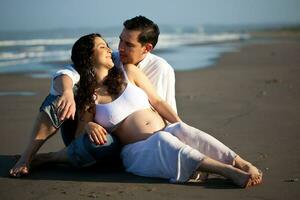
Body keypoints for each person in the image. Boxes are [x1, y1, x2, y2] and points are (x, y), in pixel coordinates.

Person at [31, 33, 262, 188]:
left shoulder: (128, 72)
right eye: (102, 47)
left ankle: (240, 162)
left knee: (186, 132)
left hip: (164, 130)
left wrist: (179, 124)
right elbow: (81, 136)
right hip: (135, 150)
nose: (110, 49)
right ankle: (227, 172)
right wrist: (90, 124)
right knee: (164, 140)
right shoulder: (90, 96)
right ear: (89, 57)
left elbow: (158, 102)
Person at [9, 16, 176, 177]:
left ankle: (49, 158)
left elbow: (162, 109)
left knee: (104, 143)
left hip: (122, 141)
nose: (120, 48)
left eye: (128, 44)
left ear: (146, 48)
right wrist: (67, 93)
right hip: (85, 130)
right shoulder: (114, 59)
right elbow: (67, 72)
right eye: (120, 41)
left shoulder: (161, 69)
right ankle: (27, 157)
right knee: (60, 95)